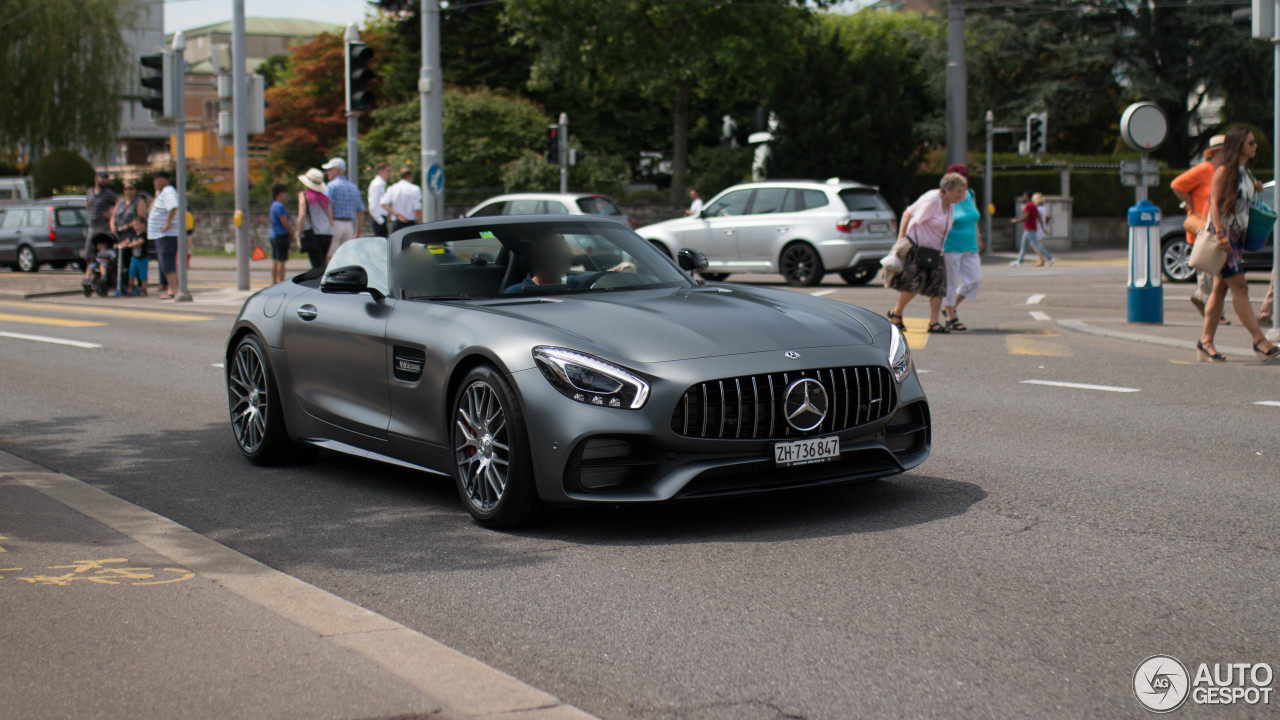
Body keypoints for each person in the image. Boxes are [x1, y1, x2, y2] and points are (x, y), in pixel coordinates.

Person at [1198, 126, 1279, 363]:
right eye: (1251, 143)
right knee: (1240, 286)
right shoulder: (1224, 171)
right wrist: (1221, 234)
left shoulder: (1245, 174)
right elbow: (1213, 204)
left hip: (1237, 238)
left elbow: (1241, 203)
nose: (1255, 147)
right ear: (1238, 146)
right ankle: (1259, 340)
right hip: (1225, 238)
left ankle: (1205, 341)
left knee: (1220, 288)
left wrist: (1255, 189)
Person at [888, 172, 967, 334]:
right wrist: (901, 237)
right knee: (913, 286)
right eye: (959, 190)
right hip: (918, 248)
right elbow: (907, 213)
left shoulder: (951, 204)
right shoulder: (932, 199)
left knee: (938, 287)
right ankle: (896, 313)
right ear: (947, 189)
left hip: (936, 251)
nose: (962, 194)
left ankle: (934, 322)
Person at [1172, 134, 1227, 319]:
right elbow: (1176, 185)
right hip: (1202, 226)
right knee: (1207, 269)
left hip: (1216, 225)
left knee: (1214, 270)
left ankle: (1204, 301)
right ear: (1217, 153)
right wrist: (1191, 202)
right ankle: (1212, 309)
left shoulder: (1225, 171)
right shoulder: (1204, 169)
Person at [941, 164, 982, 331]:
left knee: (974, 280)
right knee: (950, 282)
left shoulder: (970, 194)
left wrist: (978, 236)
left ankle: (950, 306)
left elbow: (974, 217)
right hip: (951, 245)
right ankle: (950, 316)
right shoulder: (947, 196)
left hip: (970, 245)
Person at [322, 157, 365, 259]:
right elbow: (361, 210)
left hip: (335, 224)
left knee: (330, 257)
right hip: (349, 226)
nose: (328, 172)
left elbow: (326, 206)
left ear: (337, 170)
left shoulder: (331, 186)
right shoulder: (353, 187)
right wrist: (358, 231)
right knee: (345, 257)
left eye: (330, 170)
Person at [147, 170, 180, 299]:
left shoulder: (168, 191)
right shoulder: (162, 192)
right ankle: (173, 288)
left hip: (166, 235)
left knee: (167, 263)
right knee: (167, 262)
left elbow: (173, 206)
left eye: (157, 179)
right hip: (162, 235)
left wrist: (167, 223)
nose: (154, 182)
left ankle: (173, 290)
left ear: (164, 179)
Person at [296, 168, 333, 270]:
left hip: (314, 233)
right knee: (322, 262)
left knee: (316, 265)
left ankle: (318, 285)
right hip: (327, 233)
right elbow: (330, 217)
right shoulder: (325, 198)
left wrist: (298, 234)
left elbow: (302, 216)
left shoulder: (304, 195)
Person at [1010, 190, 1053, 267]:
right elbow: (1039, 216)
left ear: (1027, 196)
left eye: (1024, 195)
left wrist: (1016, 220)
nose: (1023, 197)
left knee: (1036, 244)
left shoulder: (1029, 205)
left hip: (1030, 228)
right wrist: (1043, 228)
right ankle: (1020, 261)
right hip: (1031, 228)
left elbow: (1026, 217)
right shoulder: (1033, 205)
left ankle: (1049, 258)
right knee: (1024, 244)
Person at [84, 172, 117, 265]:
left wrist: (112, 215)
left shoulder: (108, 193)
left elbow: (118, 202)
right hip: (92, 225)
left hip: (104, 225)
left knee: (103, 250)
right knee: (89, 252)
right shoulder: (90, 191)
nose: (104, 181)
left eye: (106, 179)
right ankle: (90, 272)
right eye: (102, 178)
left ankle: (104, 271)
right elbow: (87, 204)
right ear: (96, 179)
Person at [268, 183, 295, 284]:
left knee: (274, 260)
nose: (286, 195)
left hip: (273, 235)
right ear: (278, 194)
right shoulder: (280, 206)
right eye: (284, 192)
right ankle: (281, 282)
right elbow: (284, 222)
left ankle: (274, 282)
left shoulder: (273, 205)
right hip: (281, 235)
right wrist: (291, 231)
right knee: (281, 262)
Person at [381, 168, 423, 233]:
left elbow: (383, 203)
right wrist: (421, 224)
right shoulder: (415, 189)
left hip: (396, 223)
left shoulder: (392, 188)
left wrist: (397, 215)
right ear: (409, 176)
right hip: (410, 224)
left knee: (395, 243)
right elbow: (417, 208)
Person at [122, 214, 149, 295]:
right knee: (131, 272)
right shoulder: (133, 234)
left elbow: (140, 242)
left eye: (137, 224)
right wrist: (120, 244)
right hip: (134, 258)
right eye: (134, 225)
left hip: (143, 258)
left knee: (142, 275)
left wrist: (130, 245)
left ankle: (143, 288)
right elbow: (127, 240)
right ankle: (131, 286)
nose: (135, 226)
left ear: (143, 224)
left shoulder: (143, 234)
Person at [367, 161, 392, 238]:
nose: (390, 173)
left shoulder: (381, 183)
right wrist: (381, 221)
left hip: (380, 218)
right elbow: (373, 206)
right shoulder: (377, 184)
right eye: (387, 171)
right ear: (380, 171)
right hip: (379, 218)